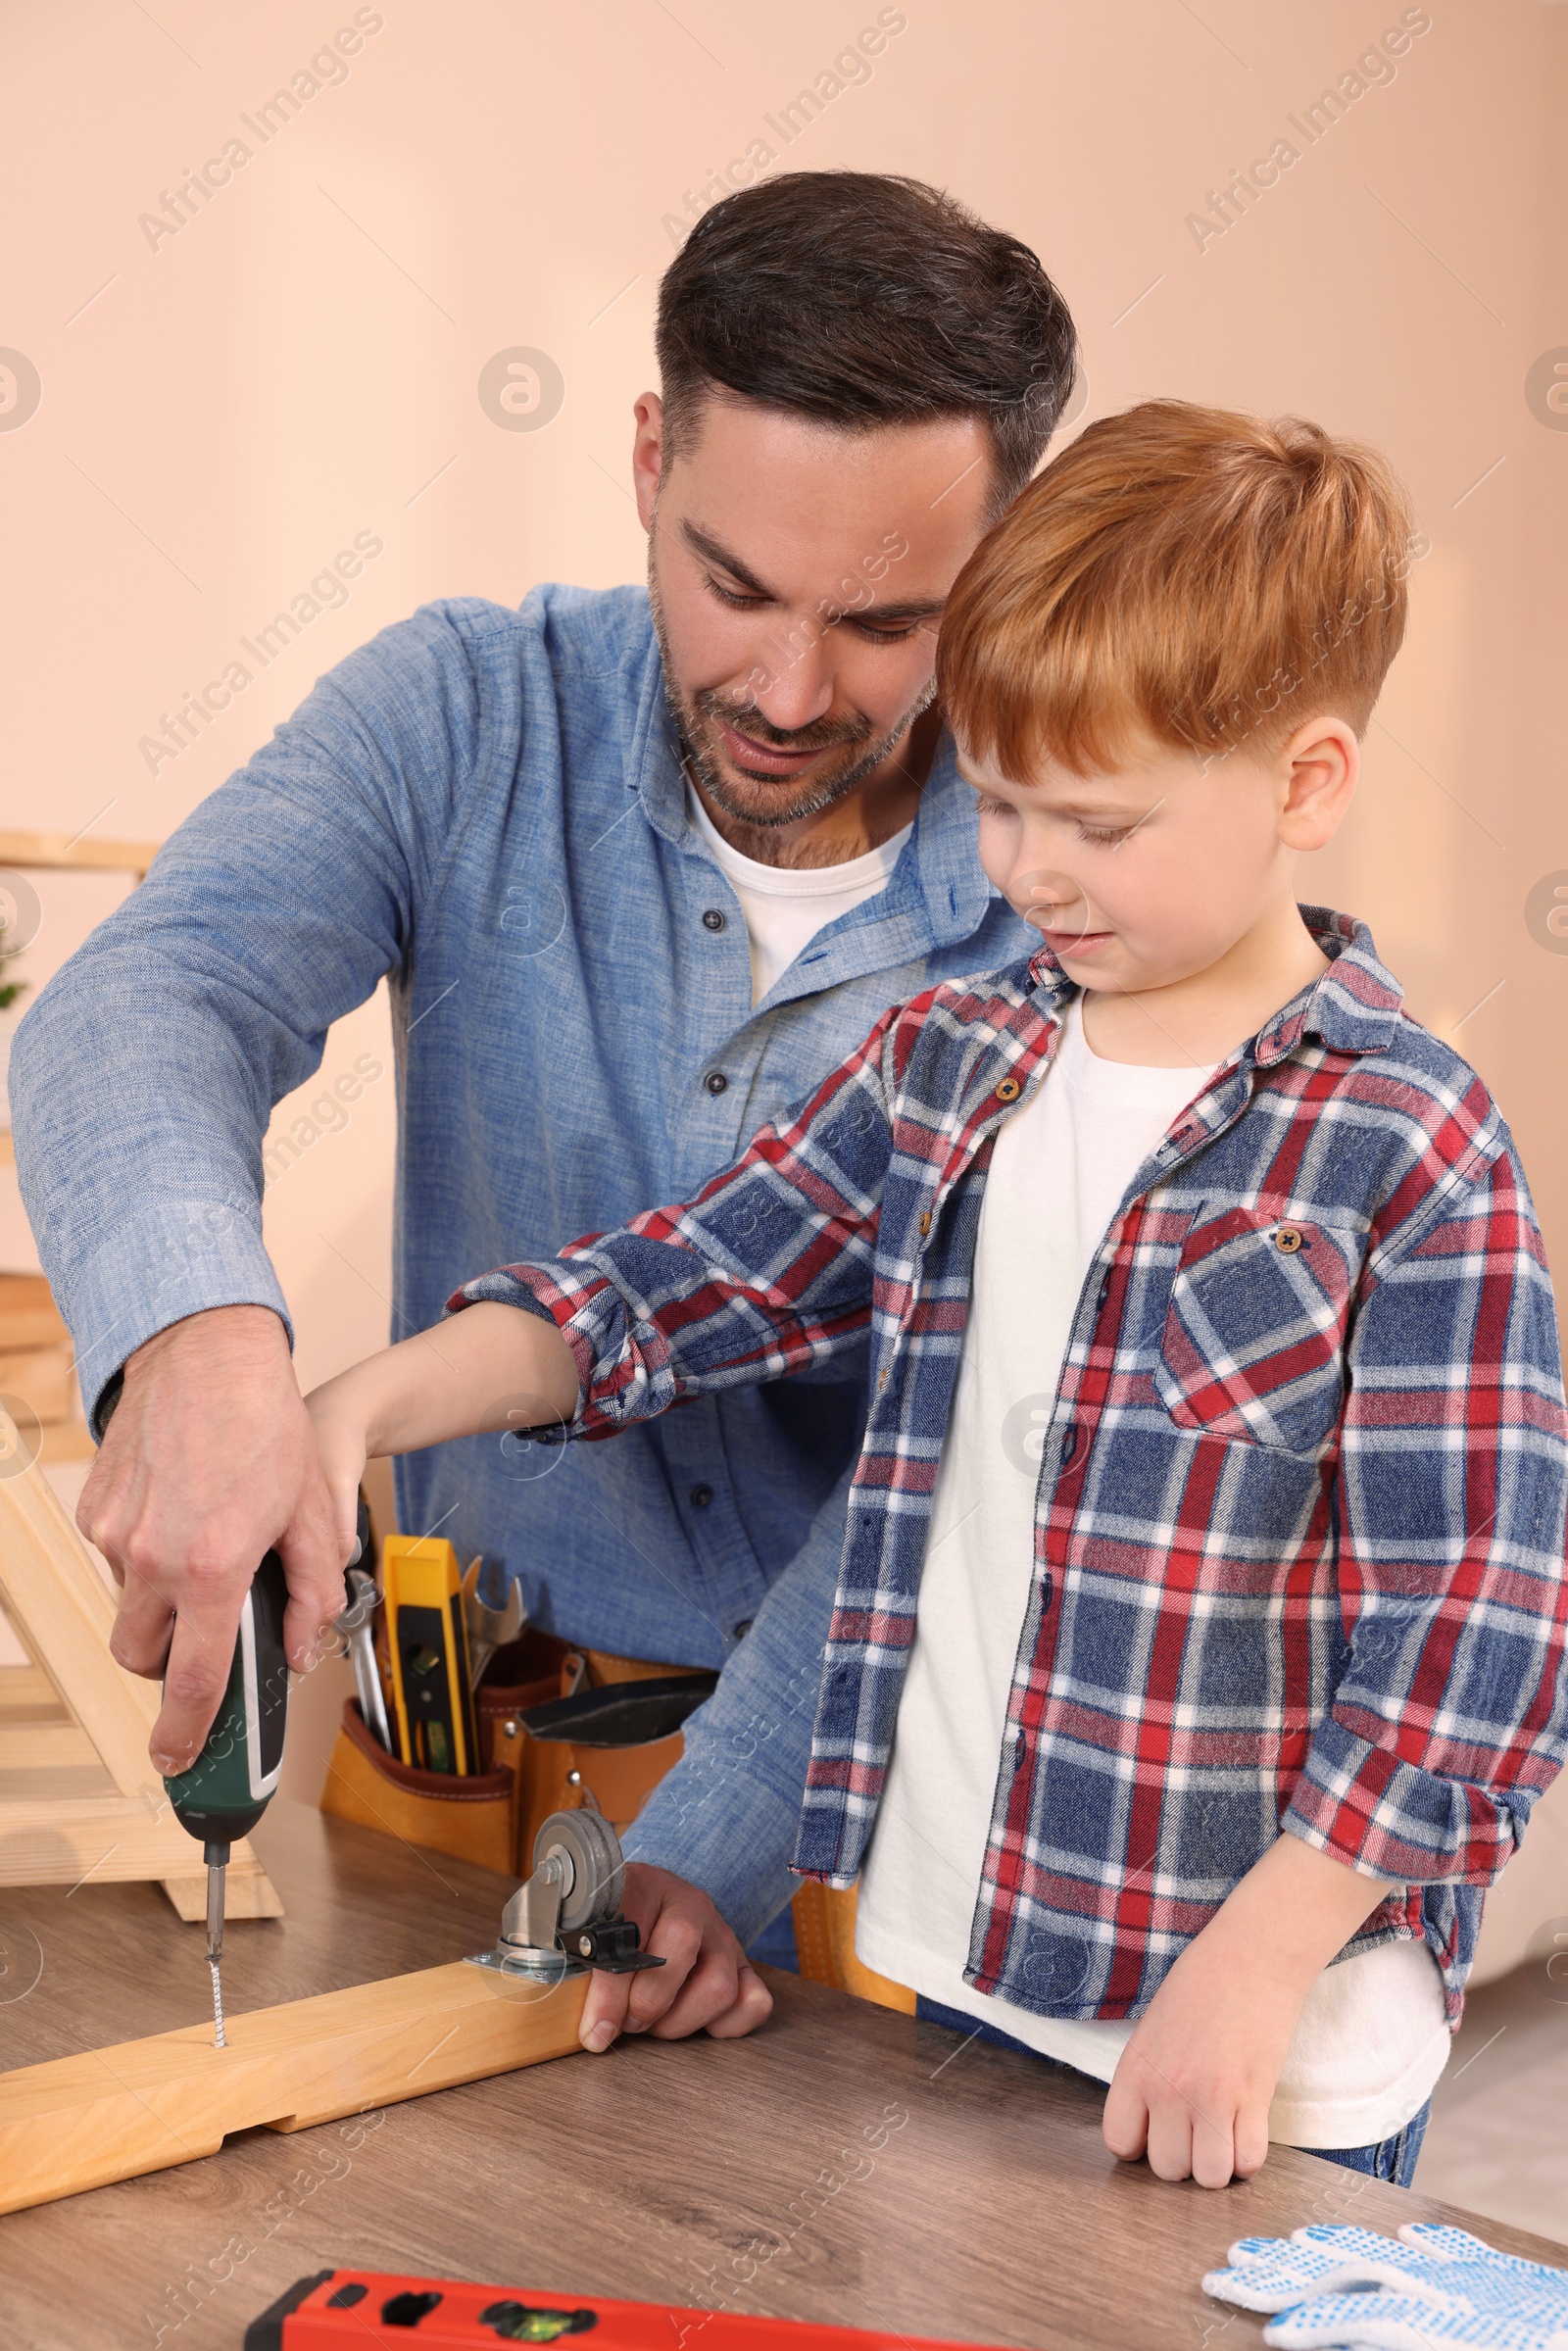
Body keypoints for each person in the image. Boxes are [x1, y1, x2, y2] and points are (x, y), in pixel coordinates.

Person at [301, 399, 1568, 2186]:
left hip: (1263, 2043)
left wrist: (1263, 1964)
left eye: (1100, 825)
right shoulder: (951, 1066)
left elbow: (1482, 1635)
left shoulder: (1407, 1146)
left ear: (1307, 780)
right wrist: (357, 1406)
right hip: (965, 1977)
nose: (1031, 872)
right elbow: (680, 1289)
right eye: (998, 802)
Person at [10, 175, 1073, 1804]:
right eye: (734, 587)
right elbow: (158, 992)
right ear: (650, 463)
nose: (790, 692)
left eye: (880, 623)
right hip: (477, 1774)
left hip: (918, 1817)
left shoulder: (1098, 878)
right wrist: (198, 1338)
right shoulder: (464, 712)